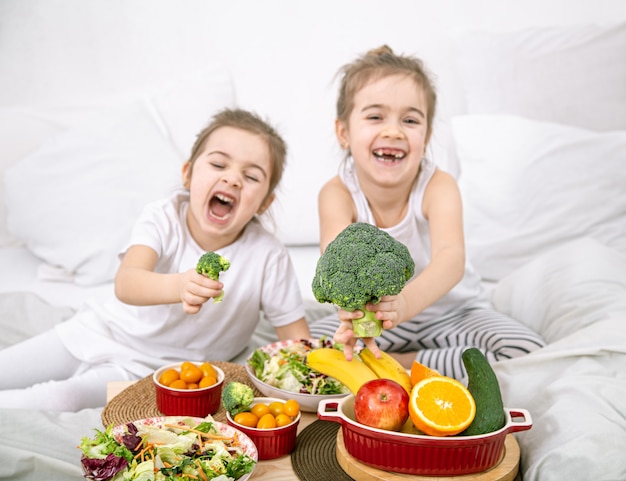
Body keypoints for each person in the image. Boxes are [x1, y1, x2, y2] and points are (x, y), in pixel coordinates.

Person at [0, 108, 310, 410]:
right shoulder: (163, 217)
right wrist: (179, 286)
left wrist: (319, 367)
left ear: (265, 203)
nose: (232, 179)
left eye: (252, 176)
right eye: (218, 164)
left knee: (60, 399)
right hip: (100, 330)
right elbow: (127, 281)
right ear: (188, 174)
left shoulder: (268, 255)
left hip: (151, 373)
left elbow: (294, 337)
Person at [309, 46, 545, 379]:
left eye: (410, 120)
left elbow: (451, 260)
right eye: (375, 116)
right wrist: (352, 317)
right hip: (380, 318)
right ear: (344, 132)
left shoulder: (438, 186)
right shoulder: (336, 193)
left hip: (453, 313)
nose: (393, 131)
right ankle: (413, 362)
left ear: (427, 136)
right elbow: (336, 266)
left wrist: (403, 304)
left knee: (524, 350)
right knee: (312, 348)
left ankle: (399, 364)